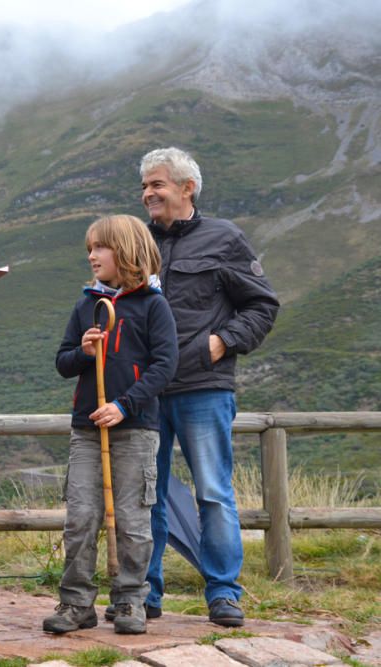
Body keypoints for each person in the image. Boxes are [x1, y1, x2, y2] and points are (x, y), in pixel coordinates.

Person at [140, 147, 279, 627]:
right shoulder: (137, 242)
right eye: (143, 187)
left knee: (214, 493)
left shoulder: (225, 238)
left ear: (186, 187)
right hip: (145, 392)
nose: (148, 194)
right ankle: (144, 593)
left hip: (205, 386)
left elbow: (262, 305)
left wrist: (222, 342)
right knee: (146, 494)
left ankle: (223, 593)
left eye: (156, 185)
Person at [43, 214, 178, 636]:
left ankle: (129, 600)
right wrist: (83, 351)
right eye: (90, 248)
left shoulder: (154, 306)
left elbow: (165, 366)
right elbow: (64, 363)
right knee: (81, 517)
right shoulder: (87, 305)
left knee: (134, 520)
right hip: (87, 430)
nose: (91, 255)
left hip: (136, 429)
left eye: (99, 247)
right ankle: (76, 604)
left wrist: (125, 405)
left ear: (126, 251)